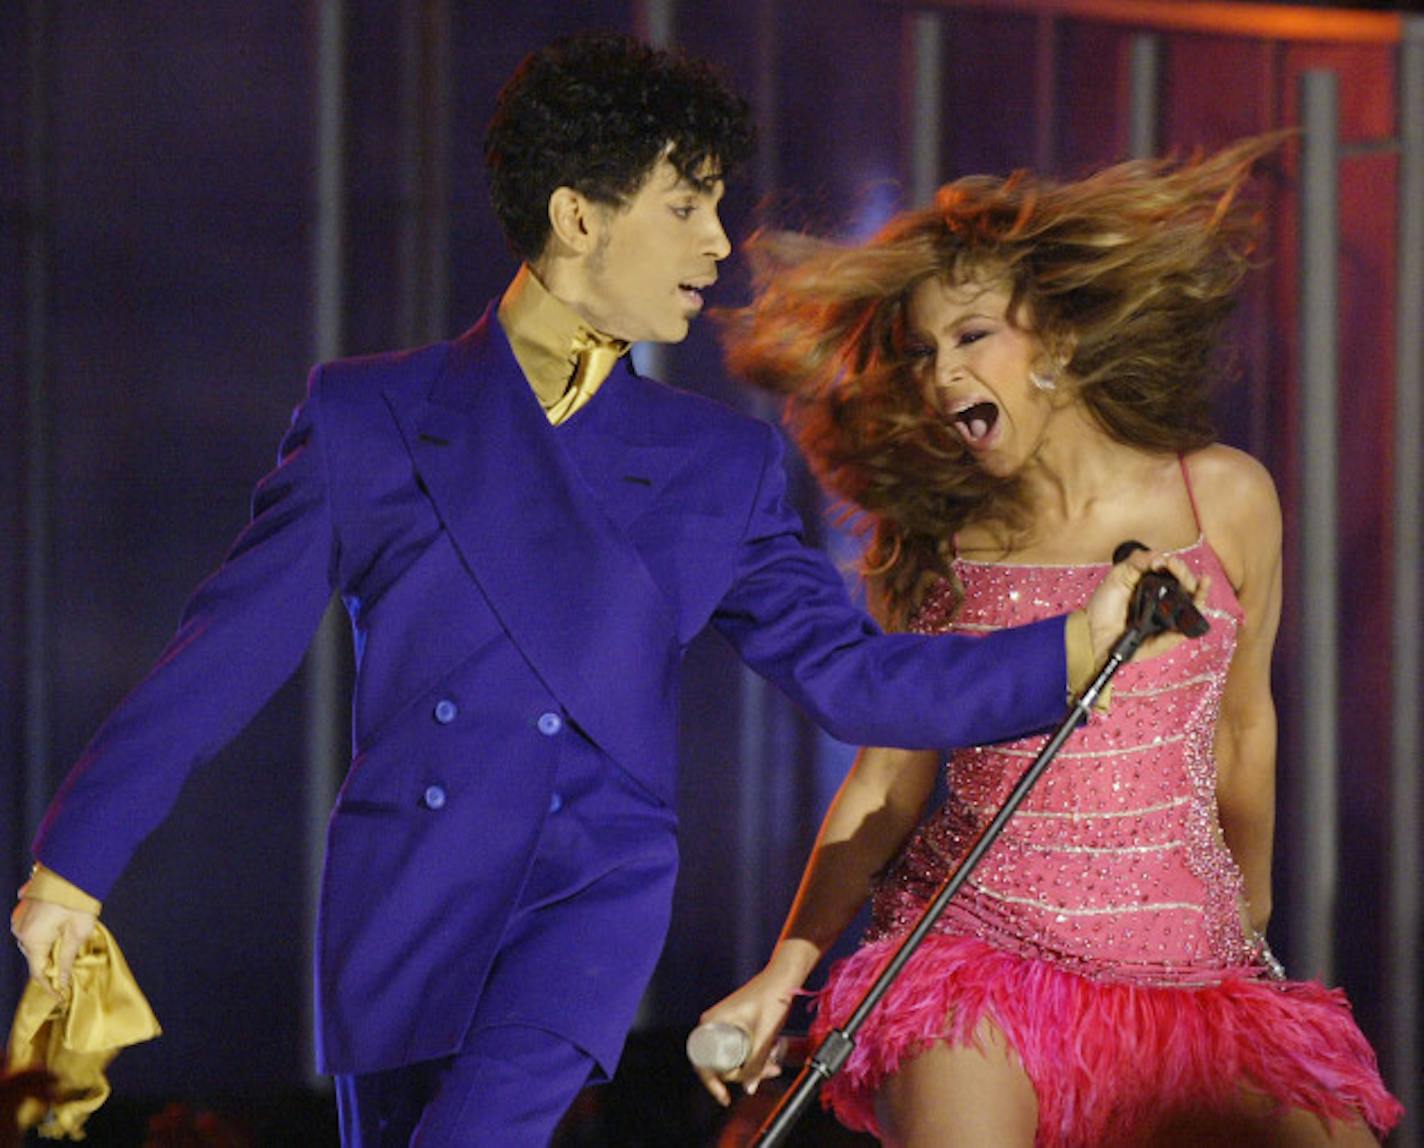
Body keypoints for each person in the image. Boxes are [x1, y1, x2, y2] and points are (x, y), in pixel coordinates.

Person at [10, 32, 1178, 1148]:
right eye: (687, 206)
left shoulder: (718, 463)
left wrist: (1073, 644)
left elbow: (858, 676)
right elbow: (219, 657)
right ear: (577, 215)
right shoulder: (370, 416)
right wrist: (72, 869)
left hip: (580, 903)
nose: (718, 245)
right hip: (397, 908)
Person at [696, 138, 1403, 1146]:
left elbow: (1243, 726)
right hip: (978, 958)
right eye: (920, 350)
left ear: (1057, 344)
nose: (942, 374)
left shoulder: (1225, 495)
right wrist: (785, 967)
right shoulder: (939, 537)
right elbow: (883, 781)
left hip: (1189, 971)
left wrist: (1245, 914)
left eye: (972, 335)